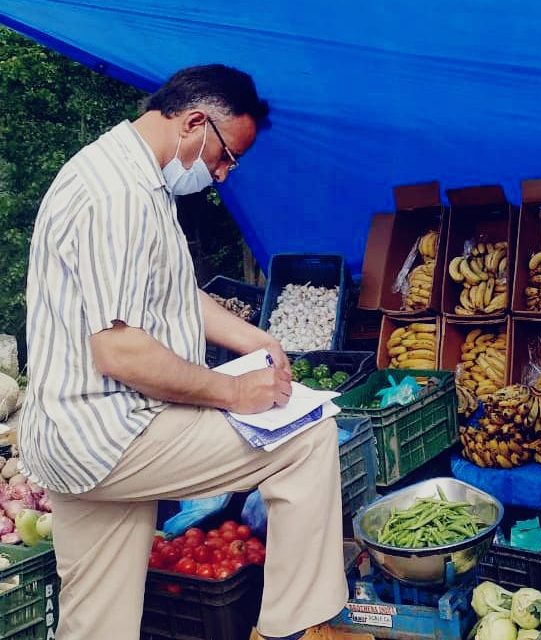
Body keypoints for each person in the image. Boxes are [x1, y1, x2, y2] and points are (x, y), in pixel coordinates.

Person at [19, 65, 359, 640]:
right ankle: (293, 629)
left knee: (96, 622)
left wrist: (255, 339)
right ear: (195, 123)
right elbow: (122, 352)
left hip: (73, 438)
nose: (224, 175)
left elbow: (168, 293)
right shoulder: (118, 195)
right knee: (306, 438)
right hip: (111, 430)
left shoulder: (126, 175)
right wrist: (234, 391)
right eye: (227, 157)